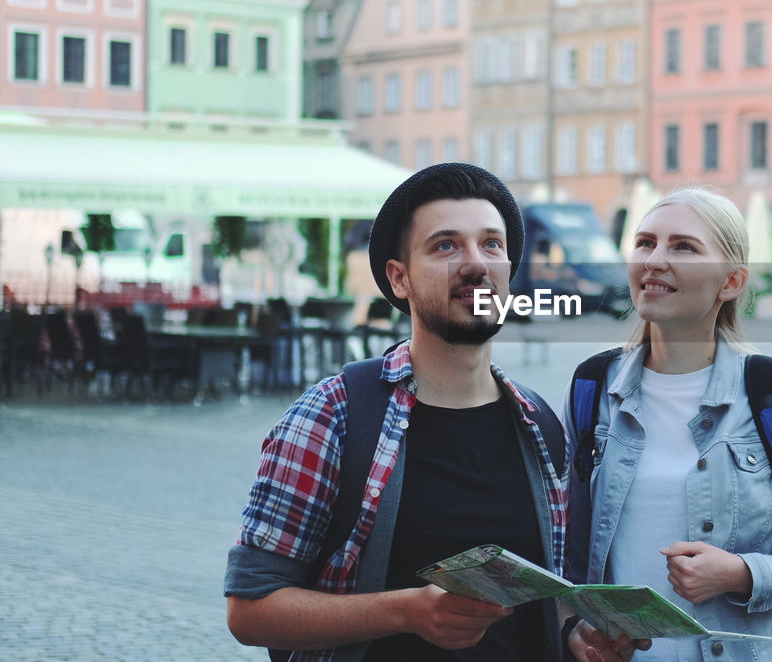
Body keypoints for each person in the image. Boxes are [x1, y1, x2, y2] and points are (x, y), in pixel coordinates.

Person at [225, 163, 569, 662]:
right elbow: (250, 609)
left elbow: (546, 605)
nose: (475, 263)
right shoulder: (335, 414)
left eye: (491, 245)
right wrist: (405, 612)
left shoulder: (539, 425)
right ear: (399, 278)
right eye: (445, 246)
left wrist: (578, 635)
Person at [563, 188, 772, 662]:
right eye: (645, 242)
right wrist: (574, 629)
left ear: (731, 281)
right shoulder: (591, 390)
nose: (655, 259)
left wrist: (744, 574)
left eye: (683, 247)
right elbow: (569, 554)